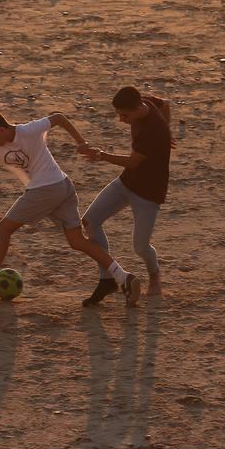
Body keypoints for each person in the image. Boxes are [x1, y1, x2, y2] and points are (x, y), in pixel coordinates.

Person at [0, 110, 141, 306]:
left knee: (4, 228)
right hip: (62, 185)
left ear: (2, 129)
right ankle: (122, 277)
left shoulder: (29, 130)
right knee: (76, 241)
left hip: (46, 189)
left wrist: (80, 142)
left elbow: (59, 118)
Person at [77, 87, 173, 305]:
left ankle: (155, 275)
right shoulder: (147, 101)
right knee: (90, 221)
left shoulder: (154, 131)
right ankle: (107, 277)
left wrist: (101, 156)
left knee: (140, 247)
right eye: (119, 114)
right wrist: (170, 131)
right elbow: (165, 103)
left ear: (137, 108)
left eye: (125, 115)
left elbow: (132, 162)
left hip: (148, 194)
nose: (121, 120)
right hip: (126, 183)